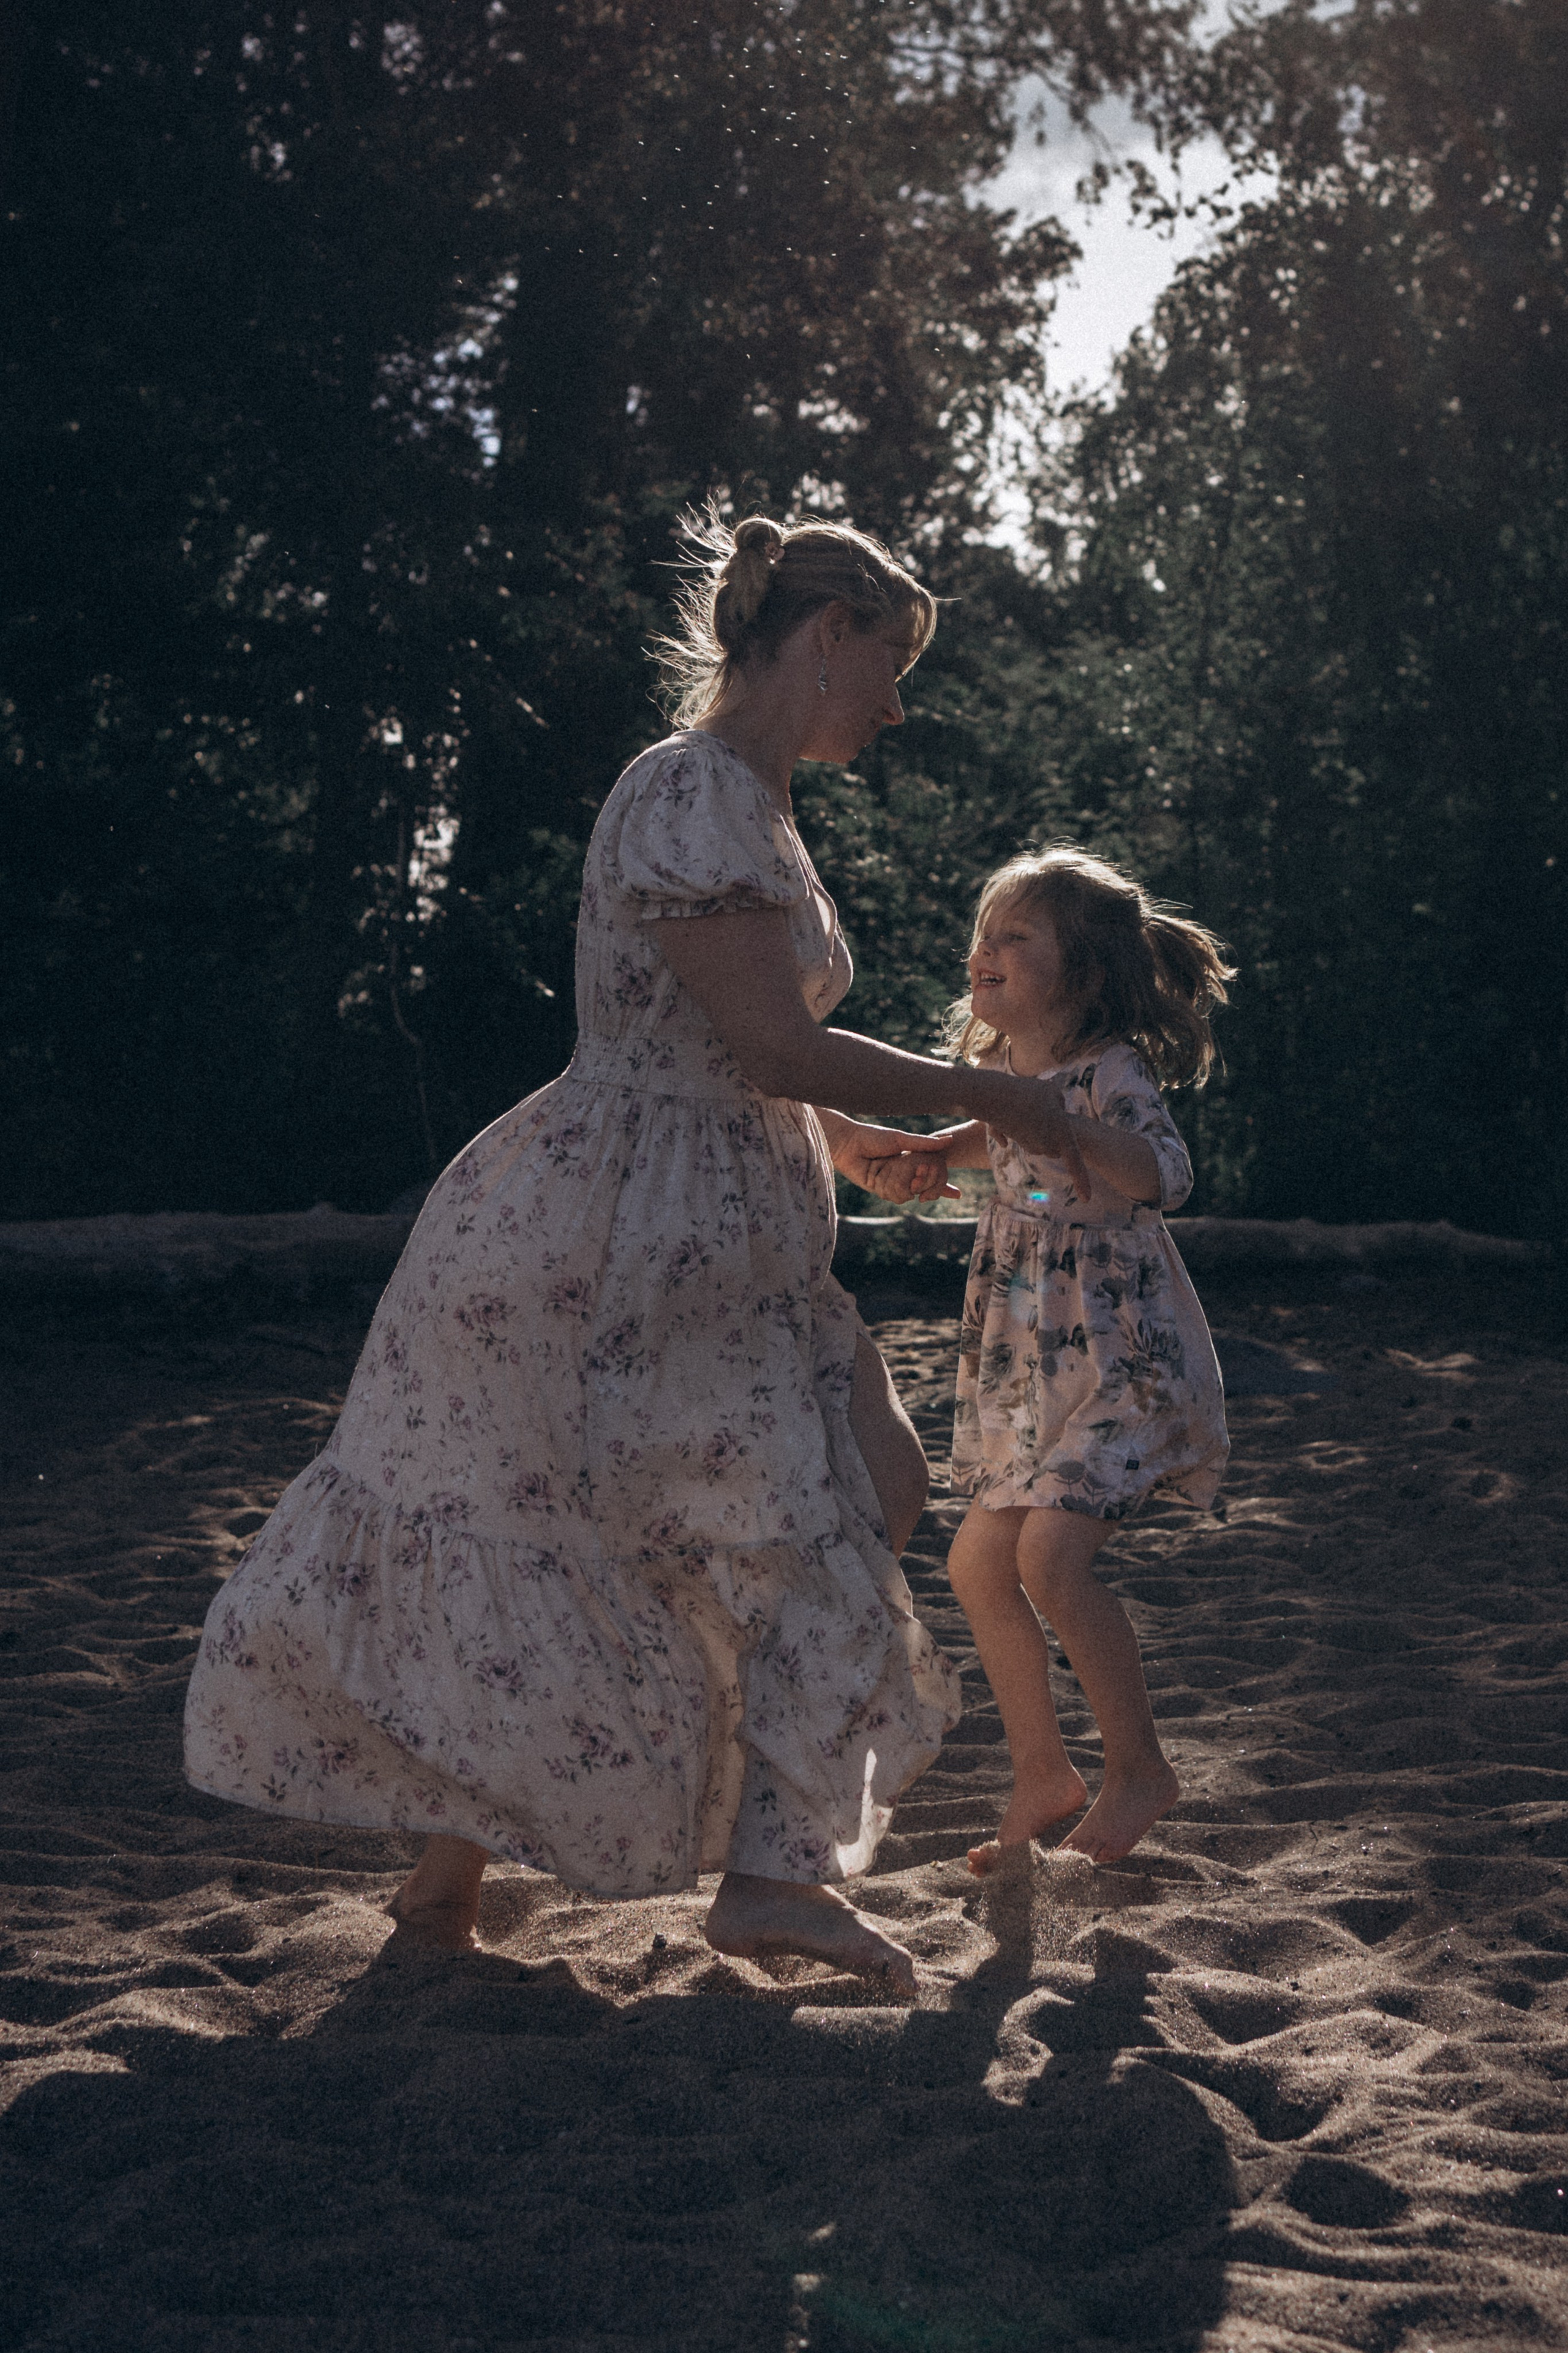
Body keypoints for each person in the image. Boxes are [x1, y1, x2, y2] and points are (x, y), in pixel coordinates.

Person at [183, 512, 1091, 1995]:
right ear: (822, 639)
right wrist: (993, 1092)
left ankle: (449, 1885)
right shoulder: (692, 795)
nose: (897, 701)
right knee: (799, 1503)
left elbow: (745, 1061)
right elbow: (765, 1038)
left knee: (642, 1516)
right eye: (890, 662)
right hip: (629, 1239)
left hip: (707, 1226)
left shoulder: (749, 805)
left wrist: (864, 1150)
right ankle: (768, 1879)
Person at [920, 847, 1234, 1869]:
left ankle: (1138, 1767)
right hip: (1032, 1364)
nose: (987, 952)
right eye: (986, 932)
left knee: (1049, 1558)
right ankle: (1041, 1772)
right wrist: (921, 1150)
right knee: (976, 1561)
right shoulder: (1014, 1076)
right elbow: (998, 1133)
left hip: (1119, 1359)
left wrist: (1068, 1125)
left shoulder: (1110, 1073)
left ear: (1085, 974)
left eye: (1018, 937)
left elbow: (1162, 1174)